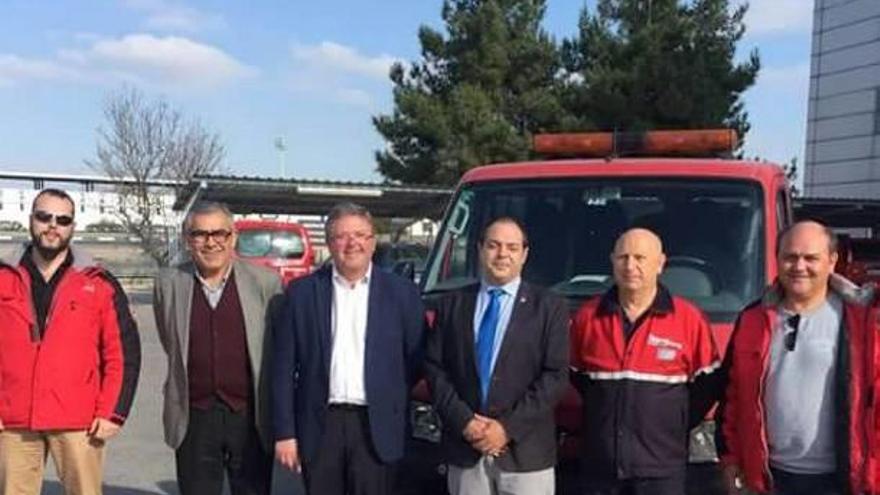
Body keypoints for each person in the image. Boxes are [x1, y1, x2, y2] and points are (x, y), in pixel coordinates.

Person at [272, 202, 425, 495]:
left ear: (372, 241)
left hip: (376, 426)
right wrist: (285, 433)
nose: (352, 243)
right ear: (330, 243)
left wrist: (389, 395)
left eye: (360, 234)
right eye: (342, 236)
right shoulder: (302, 293)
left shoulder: (402, 293)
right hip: (320, 425)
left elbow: (416, 358)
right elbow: (282, 367)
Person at [717, 221, 878, 495]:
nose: (799, 266)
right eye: (790, 257)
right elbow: (734, 396)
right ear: (777, 259)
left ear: (831, 261)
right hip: (771, 478)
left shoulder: (866, 323)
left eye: (810, 258)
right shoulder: (753, 319)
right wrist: (731, 459)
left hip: (843, 480)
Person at [0, 188, 141, 494]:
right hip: (15, 419)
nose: (53, 225)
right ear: (31, 220)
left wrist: (113, 411)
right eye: (44, 217)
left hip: (79, 419)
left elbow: (122, 352)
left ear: (72, 227)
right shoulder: (4, 277)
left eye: (62, 219)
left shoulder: (98, 282)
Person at [569, 228, 721, 495]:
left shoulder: (689, 320)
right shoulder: (587, 317)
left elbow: (708, 386)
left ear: (660, 264)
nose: (631, 266)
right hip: (600, 468)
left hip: (662, 470)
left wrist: (675, 422)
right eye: (623, 257)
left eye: (640, 258)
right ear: (612, 261)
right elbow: (577, 378)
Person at [425, 216, 570, 495]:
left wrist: (506, 428)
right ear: (479, 249)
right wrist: (465, 422)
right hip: (466, 450)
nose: (503, 254)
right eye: (494, 245)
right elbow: (435, 369)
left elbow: (555, 376)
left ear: (524, 255)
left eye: (512, 247)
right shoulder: (452, 304)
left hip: (526, 455)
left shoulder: (550, 308)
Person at [153, 201, 282, 495]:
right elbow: (169, 339)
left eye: (219, 234)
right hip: (193, 415)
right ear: (188, 240)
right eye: (200, 234)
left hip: (249, 415)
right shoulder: (169, 283)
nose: (210, 242)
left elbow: (275, 346)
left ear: (233, 237)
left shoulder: (265, 282)